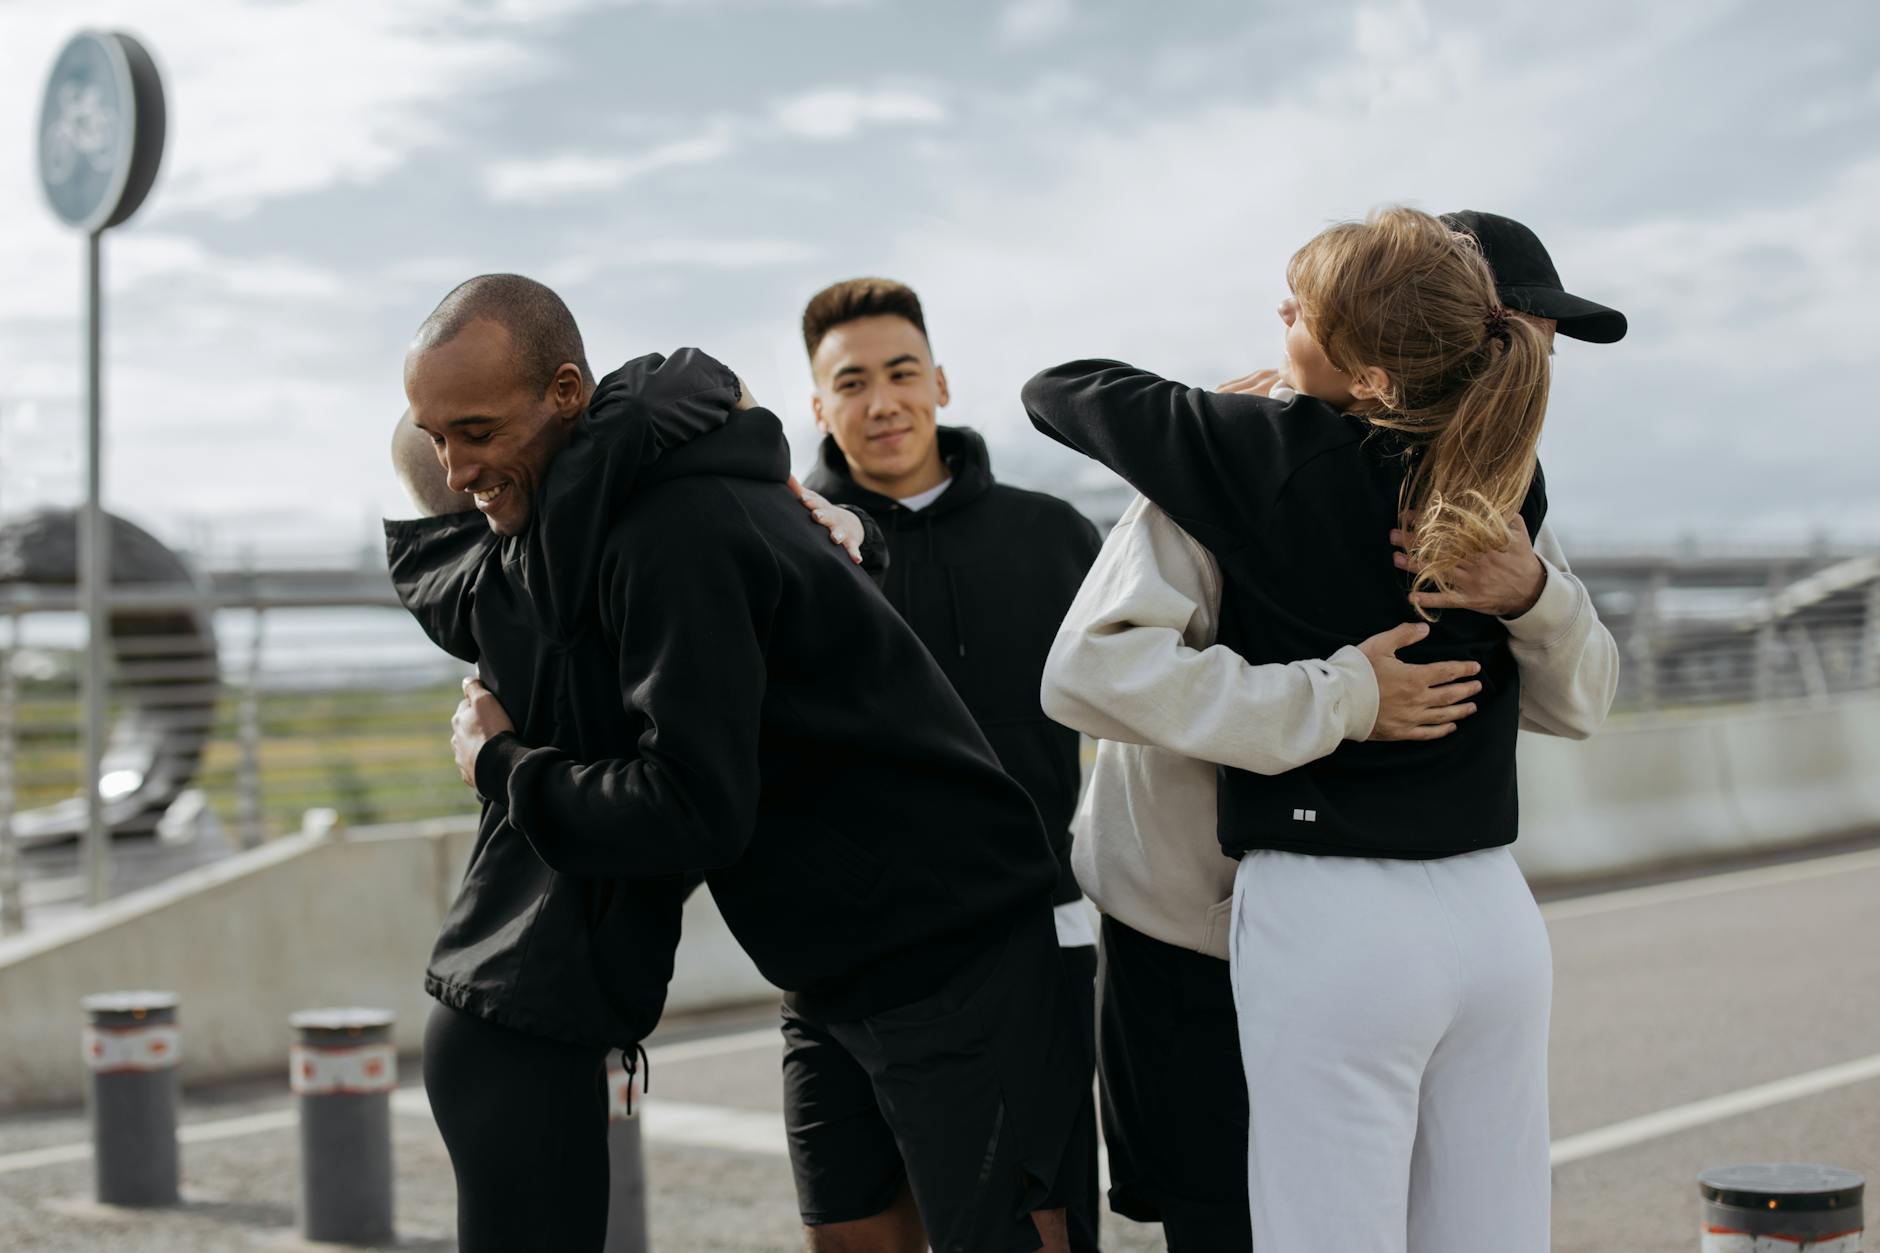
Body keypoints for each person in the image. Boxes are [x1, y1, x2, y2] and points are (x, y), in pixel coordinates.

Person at [391, 273, 1086, 1253]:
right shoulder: (627, 508)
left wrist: (500, 762)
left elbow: (687, 806)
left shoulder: (670, 529)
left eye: (475, 430)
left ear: (564, 394)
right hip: (826, 960)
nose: (455, 466)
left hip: (945, 950)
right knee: (848, 1236)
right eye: (436, 437)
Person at [1024, 206, 1602, 1253]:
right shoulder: (1235, 462)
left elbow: (1578, 698)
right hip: (1199, 935)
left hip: (1315, 919)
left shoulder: (1488, 496)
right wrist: (1335, 698)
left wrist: (1533, 594)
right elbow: (1101, 668)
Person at [798, 277, 1104, 1251]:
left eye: (900, 373)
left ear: (938, 382)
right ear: (817, 406)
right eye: (850, 383)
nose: (880, 402)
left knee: (1032, 1230)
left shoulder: (1051, 537)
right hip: (836, 953)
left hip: (1023, 941)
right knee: (848, 1228)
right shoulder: (782, 551)